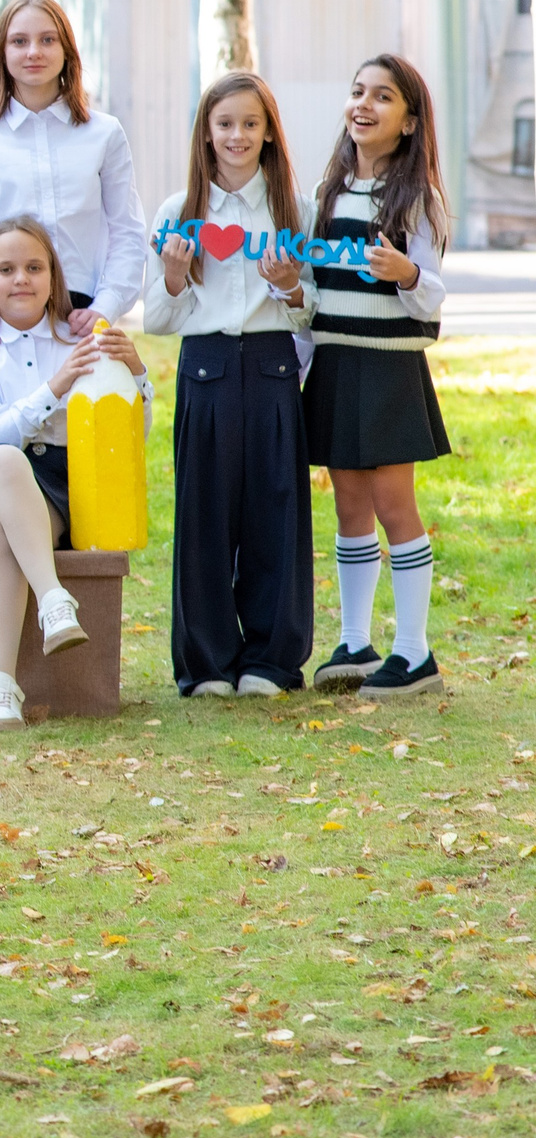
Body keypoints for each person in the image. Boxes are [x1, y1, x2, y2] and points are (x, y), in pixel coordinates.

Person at [143, 71, 314, 699]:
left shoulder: (294, 209)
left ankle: (271, 658)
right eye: (225, 124)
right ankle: (207, 661)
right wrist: (173, 274)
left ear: (269, 132)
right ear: (206, 134)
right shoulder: (179, 211)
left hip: (272, 367)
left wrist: (290, 284)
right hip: (205, 368)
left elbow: (309, 313)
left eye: (250, 123)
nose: (237, 135)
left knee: (276, 509)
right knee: (204, 515)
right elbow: (158, 321)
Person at [0, 217, 146, 733]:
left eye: (34, 267)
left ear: (53, 276)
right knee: (6, 464)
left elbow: (125, 432)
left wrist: (138, 373)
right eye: (6, 269)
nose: (21, 280)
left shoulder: (78, 339)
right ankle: (53, 598)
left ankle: (0, 690)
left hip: (52, 485)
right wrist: (54, 388)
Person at [305, 55, 451, 698]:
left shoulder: (420, 198)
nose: (363, 103)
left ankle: (415, 653)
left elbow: (433, 292)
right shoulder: (327, 192)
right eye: (357, 91)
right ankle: (357, 642)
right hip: (337, 362)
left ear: (410, 120)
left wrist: (407, 275)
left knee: (395, 506)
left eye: (383, 96)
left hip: (390, 367)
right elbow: (312, 292)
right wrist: (290, 292)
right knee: (349, 506)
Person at [0, 0, 150, 347]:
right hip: (0, 331)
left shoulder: (104, 134)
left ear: (67, 51)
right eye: (19, 41)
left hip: (81, 324)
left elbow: (127, 232)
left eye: (47, 39)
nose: (34, 51)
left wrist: (105, 307)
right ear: (3, 52)